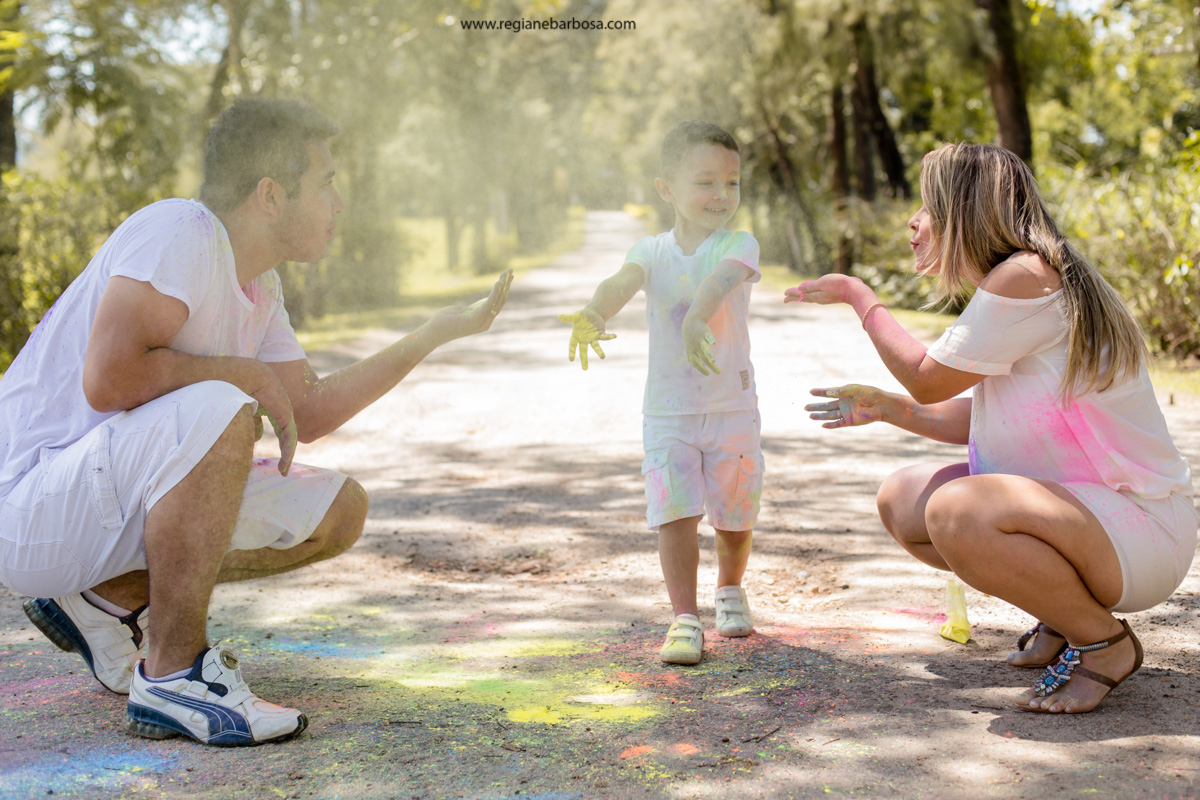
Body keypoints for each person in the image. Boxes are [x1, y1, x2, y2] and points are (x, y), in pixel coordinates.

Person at [0, 98, 513, 745]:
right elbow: (109, 378)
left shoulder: (260, 287)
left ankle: (103, 597)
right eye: (325, 183)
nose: (338, 202)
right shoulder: (180, 231)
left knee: (335, 508)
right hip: (25, 502)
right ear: (271, 194)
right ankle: (173, 675)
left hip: (92, 503)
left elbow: (311, 408)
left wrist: (433, 334)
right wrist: (243, 377)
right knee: (223, 410)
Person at [787, 142, 1197, 713]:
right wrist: (891, 408)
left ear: (967, 211)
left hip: (1141, 528)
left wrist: (861, 299)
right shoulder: (1023, 278)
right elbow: (990, 415)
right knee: (904, 499)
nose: (914, 221)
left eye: (929, 207)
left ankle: (1103, 644)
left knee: (957, 511)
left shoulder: (1025, 277)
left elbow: (928, 380)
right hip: (1093, 518)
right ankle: (1064, 616)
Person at [558, 120, 763, 666]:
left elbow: (720, 282)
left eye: (732, 183)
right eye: (705, 182)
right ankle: (684, 617)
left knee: (734, 515)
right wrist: (593, 312)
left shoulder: (739, 244)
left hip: (731, 407)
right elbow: (620, 282)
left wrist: (697, 316)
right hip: (668, 411)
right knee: (674, 513)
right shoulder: (650, 250)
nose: (722, 195)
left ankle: (730, 587)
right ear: (666, 188)